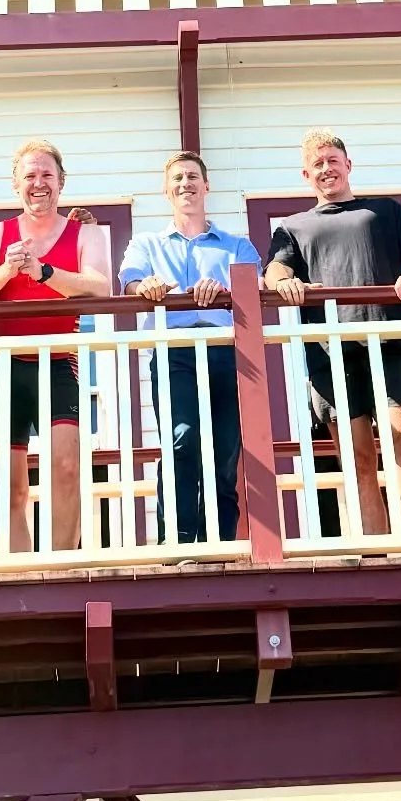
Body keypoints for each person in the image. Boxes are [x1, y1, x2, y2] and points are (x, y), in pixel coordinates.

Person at [262, 130, 401, 537]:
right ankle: (373, 547)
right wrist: (283, 282)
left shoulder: (384, 212)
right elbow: (275, 270)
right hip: (330, 355)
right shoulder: (292, 227)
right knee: (358, 458)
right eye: (318, 164)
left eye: (333, 160)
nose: (327, 169)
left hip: (388, 345)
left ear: (348, 165)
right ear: (307, 174)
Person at [0, 139, 111, 554]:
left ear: (61, 182)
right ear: (15, 184)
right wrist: (7, 269)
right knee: (9, 483)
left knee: (66, 466)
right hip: (3, 368)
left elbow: (99, 287)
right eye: (29, 176)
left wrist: (44, 272)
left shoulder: (85, 233)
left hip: (60, 363)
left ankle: (60, 567)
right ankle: (17, 573)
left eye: (46, 175)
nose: (38, 183)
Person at [118, 151, 261, 543]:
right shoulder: (146, 244)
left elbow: (256, 285)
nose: (185, 183)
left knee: (225, 450)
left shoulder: (237, 247)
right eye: (178, 178)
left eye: (193, 176)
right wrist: (142, 287)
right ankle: (178, 541)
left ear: (206, 186)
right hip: (174, 352)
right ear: (167, 191)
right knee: (182, 439)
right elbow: (129, 280)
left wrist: (226, 291)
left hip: (227, 353)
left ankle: (220, 541)